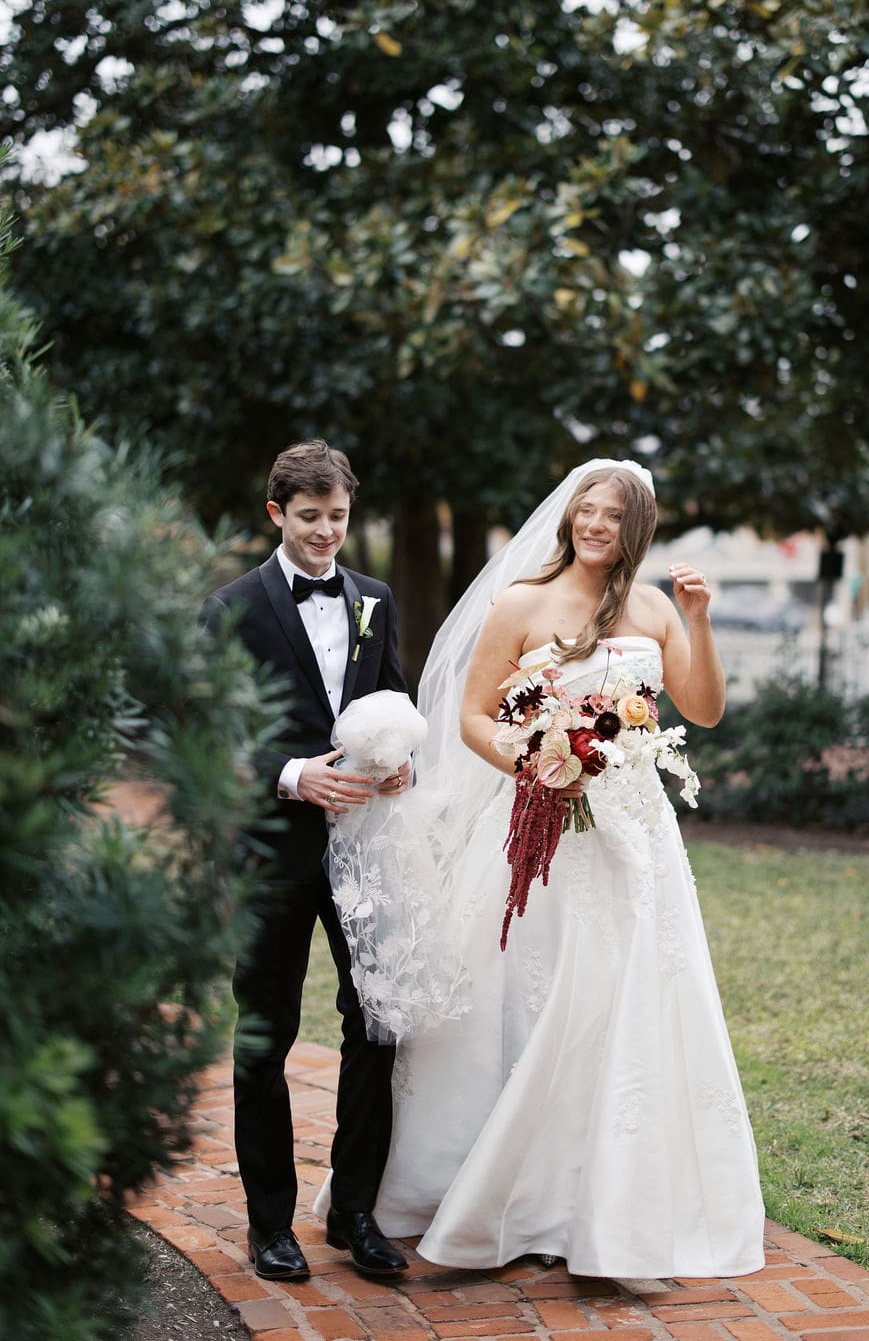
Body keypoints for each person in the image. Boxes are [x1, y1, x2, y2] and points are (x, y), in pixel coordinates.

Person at [365, 459, 765, 1278]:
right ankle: (516, 1193)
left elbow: (705, 708)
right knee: (542, 995)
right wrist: (537, 765)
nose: (595, 525)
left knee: (633, 994)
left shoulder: (653, 607)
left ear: (636, 529)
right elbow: (474, 716)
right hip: (545, 830)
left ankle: (611, 1202)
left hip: (638, 835)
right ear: (568, 517)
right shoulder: (521, 604)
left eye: (613, 517)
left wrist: (699, 619)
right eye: (587, 511)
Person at [202, 440, 412, 1282]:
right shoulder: (231, 608)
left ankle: (355, 1211)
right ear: (277, 513)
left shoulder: (376, 599)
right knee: (267, 1035)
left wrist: (404, 761)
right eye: (311, 517)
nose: (327, 533)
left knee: (376, 1025)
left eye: (338, 518)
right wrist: (292, 776)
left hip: (366, 852)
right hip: (273, 853)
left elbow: (396, 699)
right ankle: (269, 1225)